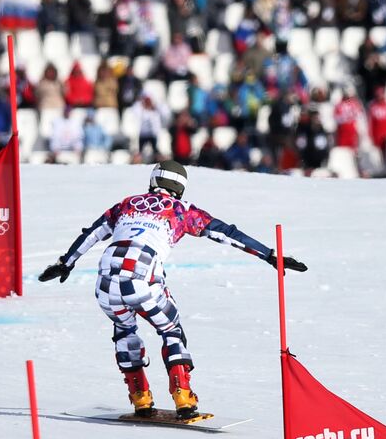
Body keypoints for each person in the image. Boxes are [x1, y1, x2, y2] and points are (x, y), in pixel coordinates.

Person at [37, 161, 307, 418]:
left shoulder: (126, 204)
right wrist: (270, 255)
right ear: (180, 187)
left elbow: (93, 232)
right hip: (142, 274)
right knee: (170, 329)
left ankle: (140, 397)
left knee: (124, 330)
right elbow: (226, 233)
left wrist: (66, 263)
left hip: (106, 278)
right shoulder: (181, 209)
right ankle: (183, 396)